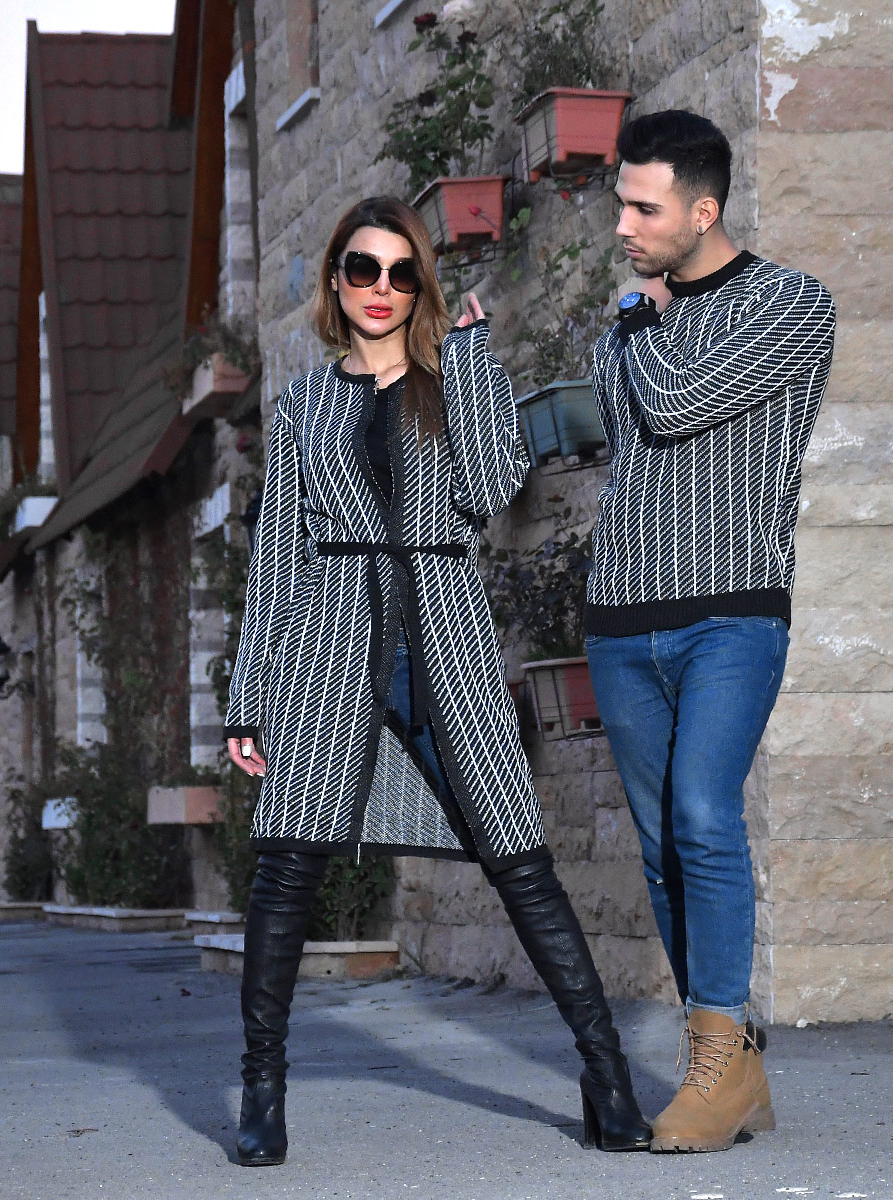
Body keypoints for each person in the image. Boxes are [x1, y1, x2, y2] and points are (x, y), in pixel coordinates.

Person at [222, 196, 650, 1166]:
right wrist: (250, 700)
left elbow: (492, 487)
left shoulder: (450, 378)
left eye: (401, 272)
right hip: (328, 645)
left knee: (521, 863)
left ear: (421, 285)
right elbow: (278, 559)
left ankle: (607, 1080)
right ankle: (262, 1088)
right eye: (363, 269)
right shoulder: (301, 407)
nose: (381, 288)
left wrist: (470, 364)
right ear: (336, 280)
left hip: (446, 642)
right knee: (287, 871)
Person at [584, 111, 836, 1154]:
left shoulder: (791, 303)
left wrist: (642, 327)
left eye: (643, 208)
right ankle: (728, 1067)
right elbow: (622, 440)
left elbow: (678, 405)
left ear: (703, 210)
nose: (624, 226)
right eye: (621, 204)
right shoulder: (627, 319)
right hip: (621, 622)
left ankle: (719, 1063)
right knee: (662, 851)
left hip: (733, 613)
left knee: (702, 815)